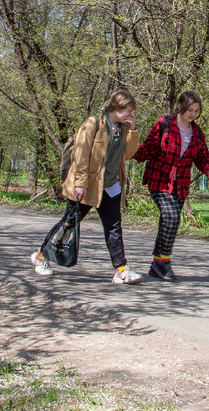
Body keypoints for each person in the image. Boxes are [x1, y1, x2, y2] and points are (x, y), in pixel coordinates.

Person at [30, 89, 144, 284]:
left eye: (131, 111)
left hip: (110, 186)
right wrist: (80, 184)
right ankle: (41, 257)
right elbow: (81, 155)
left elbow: (128, 154)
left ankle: (121, 269)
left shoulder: (123, 128)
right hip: (87, 186)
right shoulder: (93, 124)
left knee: (114, 227)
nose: (130, 114)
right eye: (127, 110)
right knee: (69, 223)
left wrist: (133, 131)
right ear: (116, 107)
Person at [132, 90, 209, 281]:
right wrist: (129, 152)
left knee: (169, 222)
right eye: (190, 109)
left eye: (196, 111)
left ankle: (157, 264)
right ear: (180, 107)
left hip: (180, 185)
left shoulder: (197, 132)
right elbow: (149, 147)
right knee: (170, 217)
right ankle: (163, 263)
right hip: (159, 179)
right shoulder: (165, 124)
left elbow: (202, 157)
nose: (193, 114)